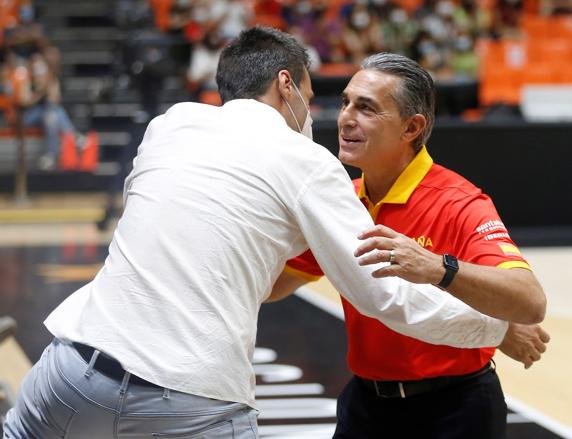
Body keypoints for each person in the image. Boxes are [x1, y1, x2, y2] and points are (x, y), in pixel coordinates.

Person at [4, 28, 517, 439]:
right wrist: (497, 327)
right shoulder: (311, 166)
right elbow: (388, 299)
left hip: (72, 372)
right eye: (325, 99)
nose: (335, 119)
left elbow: (231, 243)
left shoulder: (171, 125)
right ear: (287, 85)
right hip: (189, 399)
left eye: (364, 108)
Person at [272, 52, 549, 438]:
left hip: (456, 410)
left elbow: (530, 300)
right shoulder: (341, 201)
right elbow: (273, 286)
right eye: (346, 102)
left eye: (366, 108)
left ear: (411, 128)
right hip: (365, 406)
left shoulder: (459, 201)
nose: (346, 118)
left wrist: (439, 268)